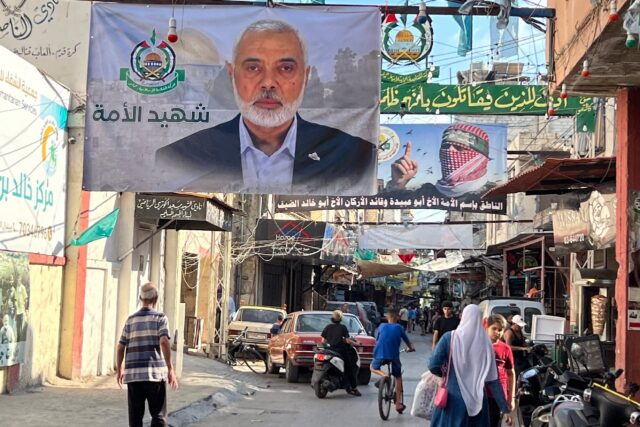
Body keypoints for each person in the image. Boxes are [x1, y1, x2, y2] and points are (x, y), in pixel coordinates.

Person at [155, 19, 376, 195]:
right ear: (233, 75)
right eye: (253, 68)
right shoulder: (182, 155)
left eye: (286, 68)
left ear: (306, 77)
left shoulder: (354, 155)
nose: (268, 82)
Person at [428, 305, 513, 427]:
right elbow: (493, 381)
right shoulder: (487, 345)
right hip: (478, 403)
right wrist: (505, 409)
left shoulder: (449, 338)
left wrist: (446, 373)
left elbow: (433, 365)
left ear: (463, 317)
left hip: (452, 401)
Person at [116, 283, 178, 427]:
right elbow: (164, 341)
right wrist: (170, 368)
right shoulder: (160, 318)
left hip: (134, 376)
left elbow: (120, 346)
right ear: (156, 298)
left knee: (135, 418)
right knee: (158, 415)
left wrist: (120, 368)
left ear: (140, 298)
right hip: (155, 375)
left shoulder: (130, 320)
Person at [387, 124, 493, 197]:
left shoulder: (493, 194)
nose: (449, 151)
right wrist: (398, 184)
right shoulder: (427, 193)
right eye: (446, 146)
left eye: (460, 148)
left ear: (480, 157)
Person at [370, 308, 415, 414]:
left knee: (372, 367)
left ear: (387, 318)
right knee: (398, 377)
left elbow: (378, 340)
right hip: (393, 356)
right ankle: (398, 404)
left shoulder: (381, 326)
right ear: (397, 318)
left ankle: (383, 374)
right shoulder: (399, 327)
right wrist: (411, 348)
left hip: (379, 354)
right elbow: (407, 341)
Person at [320, 310, 361, 396]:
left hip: (330, 351)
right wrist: (356, 343)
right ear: (341, 319)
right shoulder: (343, 327)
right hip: (341, 351)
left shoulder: (328, 327)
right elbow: (347, 340)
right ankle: (354, 388)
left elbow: (323, 341)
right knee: (349, 368)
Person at [485, 315, 516, 427]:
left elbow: (510, 373)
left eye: (500, 330)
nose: (497, 332)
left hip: (497, 396)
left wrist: (511, 398)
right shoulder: (478, 345)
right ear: (486, 327)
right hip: (479, 394)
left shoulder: (505, 348)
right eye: (494, 329)